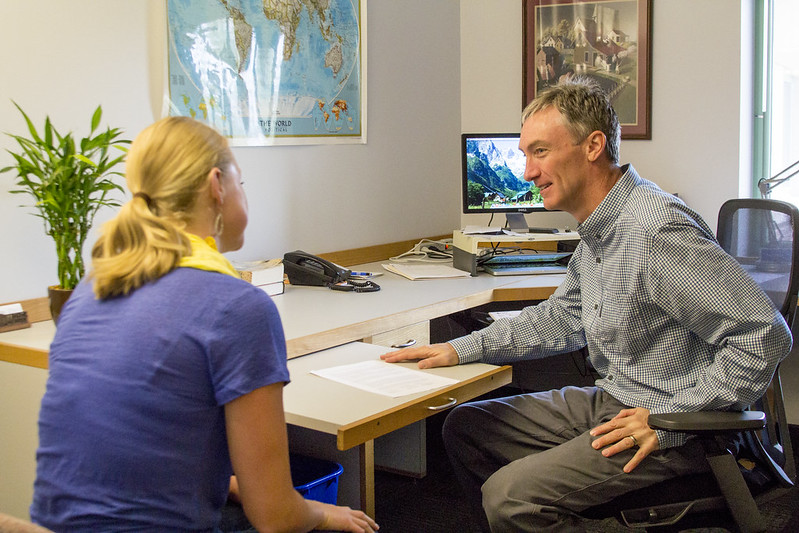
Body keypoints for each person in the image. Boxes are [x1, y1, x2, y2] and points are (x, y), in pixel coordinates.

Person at [382, 78, 792, 532]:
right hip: (619, 399)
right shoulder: (599, 231)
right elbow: (560, 317)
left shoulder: (653, 230)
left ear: (593, 145)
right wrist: (462, 349)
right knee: (467, 427)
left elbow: (764, 334)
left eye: (539, 152)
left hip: (676, 423)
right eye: (524, 154)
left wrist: (668, 421)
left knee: (510, 499)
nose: (526, 173)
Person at [31, 116, 378, 533]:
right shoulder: (237, 307)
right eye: (241, 183)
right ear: (217, 185)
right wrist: (324, 514)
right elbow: (276, 517)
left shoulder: (91, 290)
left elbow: (137, 449)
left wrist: (231, 483)